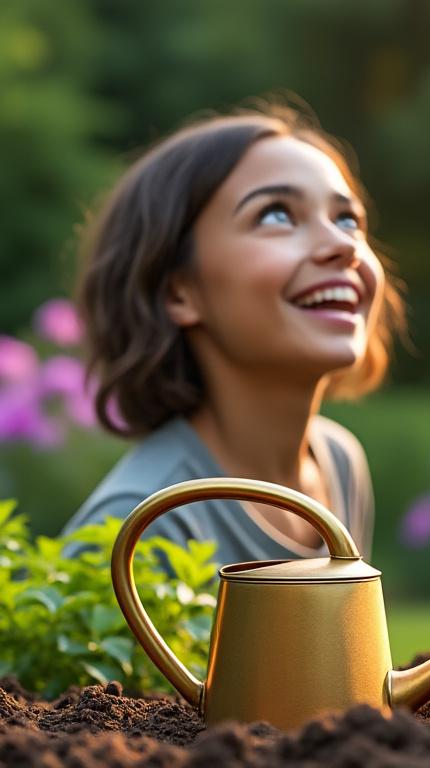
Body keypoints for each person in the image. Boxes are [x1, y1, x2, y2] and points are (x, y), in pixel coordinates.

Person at [60, 102, 404, 565]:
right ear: (179, 291)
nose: (343, 245)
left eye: (347, 219)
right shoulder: (140, 528)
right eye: (276, 215)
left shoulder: (339, 464)